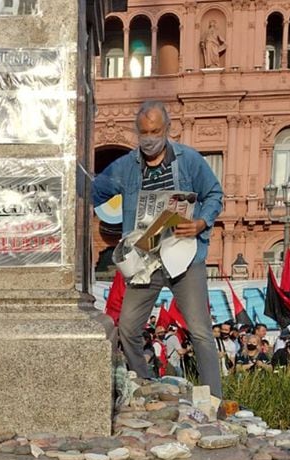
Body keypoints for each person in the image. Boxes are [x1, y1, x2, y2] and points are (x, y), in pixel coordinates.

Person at [92, 100, 224, 398]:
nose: (150, 138)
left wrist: (201, 222)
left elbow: (214, 193)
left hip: (184, 256)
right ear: (137, 133)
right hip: (145, 260)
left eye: (155, 130)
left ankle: (214, 399)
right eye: (144, 132)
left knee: (201, 331)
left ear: (167, 129)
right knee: (127, 326)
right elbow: (94, 189)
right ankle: (147, 384)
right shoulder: (126, 166)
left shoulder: (189, 160)